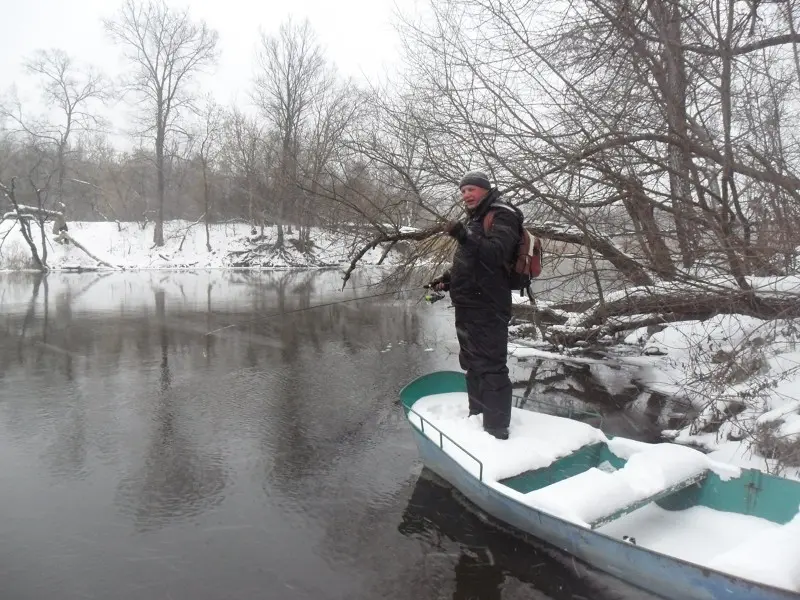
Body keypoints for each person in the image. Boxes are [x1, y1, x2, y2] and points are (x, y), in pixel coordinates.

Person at [429, 171, 521, 440]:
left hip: (489, 306)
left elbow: (494, 254)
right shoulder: (477, 219)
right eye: (462, 191)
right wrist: (446, 280)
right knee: (472, 363)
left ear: (485, 190)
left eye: (471, 189)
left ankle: (496, 430)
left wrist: (462, 236)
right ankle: (477, 417)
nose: (466, 195)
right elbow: (471, 262)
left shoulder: (502, 215)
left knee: (492, 366)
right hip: (468, 305)